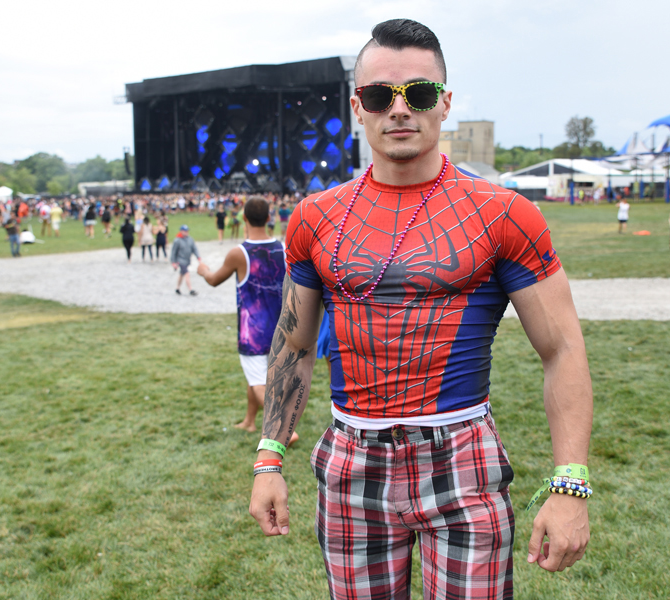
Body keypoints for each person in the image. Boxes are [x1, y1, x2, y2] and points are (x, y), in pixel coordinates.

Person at [249, 19, 593, 600]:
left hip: (462, 458)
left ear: (445, 103)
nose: (400, 109)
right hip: (351, 460)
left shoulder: (504, 213)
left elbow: (562, 349)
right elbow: (295, 343)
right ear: (358, 108)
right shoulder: (315, 217)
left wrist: (570, 483)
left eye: (420, 92)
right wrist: (268, 459)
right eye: (380, 96)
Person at [196, 197, 292, 435]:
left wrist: (203, 270)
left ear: (244, 218)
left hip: (252, 331)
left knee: (258, 381)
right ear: (269, 218)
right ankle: (250, 421)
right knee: (257, 376)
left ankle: (284, 430)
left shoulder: (239, 253)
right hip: (281, 327)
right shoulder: (283, 249)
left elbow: (214, 280)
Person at [170, 224, 200, 295]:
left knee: (182, 274)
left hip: (187, 260)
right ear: (181, 231)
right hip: (180, 261)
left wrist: (198, 257)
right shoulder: (177, 240)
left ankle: (177, 288)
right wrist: (173, 262)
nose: (186, 232)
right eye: (185, 231)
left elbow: (194, 248)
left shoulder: (190, 239)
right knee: (187, 273)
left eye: (187, 231)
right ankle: (190, 289)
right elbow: (174, 252)